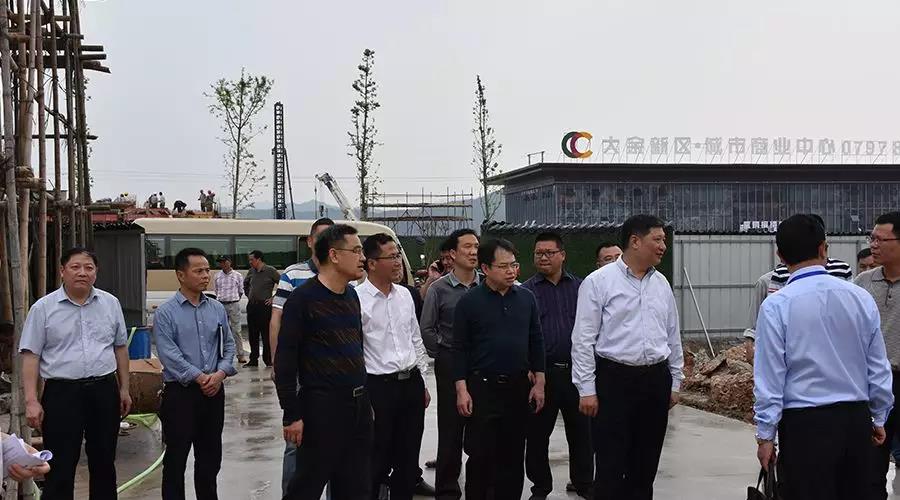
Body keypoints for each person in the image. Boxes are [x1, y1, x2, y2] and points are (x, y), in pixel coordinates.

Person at [755, 214, 893, 500]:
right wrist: (879, 416)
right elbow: (877, 365)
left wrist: (766, 435)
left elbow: (770, 378)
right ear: (823, 248)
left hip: (804, 425)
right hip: (855, 420)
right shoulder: (859, 297)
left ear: (780, 256)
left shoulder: (776, 306)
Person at [572, 214, 684, 500]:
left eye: (664, 240)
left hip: (655, 380)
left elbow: (672, 335)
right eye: (657, 239)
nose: (663, 246)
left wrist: (674, 381)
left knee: (645, 466)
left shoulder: (661, 284)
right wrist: (586, 389)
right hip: (614, 381)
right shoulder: (599, 282)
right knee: (611, 466)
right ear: (635, 241)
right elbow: (583, 340)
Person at [19, 247, 132, 500]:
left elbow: (120, 348)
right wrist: (31, 400)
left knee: (104, 461)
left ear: (96, 272)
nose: (83, 272)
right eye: (75, 267)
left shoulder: (110, 303)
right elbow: (31, 355)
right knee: (59, 464)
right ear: (62, 271)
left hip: (104, 390)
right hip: (62, 393)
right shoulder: (43, 308)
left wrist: (124, 389)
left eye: (89, 268)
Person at [275, 224, 374, 499]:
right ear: (334, 255)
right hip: (321, 408)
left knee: (356, 486)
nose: (363, 258)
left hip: (358, 405)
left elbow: (357, 348)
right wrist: (291, 414)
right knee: (308, 484)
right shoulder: (302, 299)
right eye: (356, 251)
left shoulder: (352, 295)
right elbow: (285, 360)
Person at [452, 238, 545, 499]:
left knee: (513, 456)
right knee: (480, 456)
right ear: (485, 268)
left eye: (514, 265)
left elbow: (536, 340)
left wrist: (540, 382)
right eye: (503, 266)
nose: (511, 271)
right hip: (482, 389)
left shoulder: (526, 298)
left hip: (518, 388)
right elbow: (459, 348)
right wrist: (461, 389)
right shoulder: (469, 302)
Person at [153, 247, 237, 500]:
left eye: (207, 270)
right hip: (181, 394)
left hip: (213, 393)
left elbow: (229, 345)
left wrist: (219, 375)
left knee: (210, 459)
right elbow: (169, 355)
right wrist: (200, 378)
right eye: (198, 271)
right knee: (176, 459)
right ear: (180, 275)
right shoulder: (166, 313)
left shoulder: (216, 308)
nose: (205, 276)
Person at [359, 233, 431, 500]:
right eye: (391, 256)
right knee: (375, 459)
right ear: (372, 263)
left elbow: (415, 339)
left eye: (398, 255)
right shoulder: (357, 299)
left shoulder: (405, 295)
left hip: (410, 384)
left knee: (408, 459)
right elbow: (355, 352)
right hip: (378, 388)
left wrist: (422, 381)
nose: (398, 261)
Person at [522, 233, 592, 500]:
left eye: (549, 252)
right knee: (537, 436)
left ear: (562, 255)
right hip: (542, 375)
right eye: (538, 253)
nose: (543, 257)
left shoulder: (581, 288)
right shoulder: (525, 292)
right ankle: (540, 487)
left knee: (582, 434)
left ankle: (584, 484)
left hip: (577, 373)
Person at [268, 217, 334, 497]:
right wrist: (277, 363)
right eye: (321, 237)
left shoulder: (345, 277)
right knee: (297, 438)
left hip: (334, 375)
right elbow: (277, 319)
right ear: (309, 242)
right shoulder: (293, 274)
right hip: (299, 371)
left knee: (337, 441)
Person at [420, 228, 480, 500]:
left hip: (482, 366)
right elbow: (427, 328)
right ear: (453, 254)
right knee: (451, 429)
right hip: (450, 366)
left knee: (481, 430)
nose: (473, 251)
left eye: (476, 246)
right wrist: (445, 353)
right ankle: (447, 490)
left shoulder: (487, 284)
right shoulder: (439, 289)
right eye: (467, 246)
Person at [856, 211, 900, 499]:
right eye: (871, 238)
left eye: (880, 239)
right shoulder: (862, 283)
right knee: (871, 465)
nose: (873, 245)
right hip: (871, 383)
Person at [243, 250, 280, 367]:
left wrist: (273, 298)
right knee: (252, 334)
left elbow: (283, 285)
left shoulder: (271, 271)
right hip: (252, 306)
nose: (250, 262)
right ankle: (253, 360)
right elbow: (245, 284)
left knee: (266, 333)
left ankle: (268, 359)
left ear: (259, 259)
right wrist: (249, 294)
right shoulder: (251, 271)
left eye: (252, 260)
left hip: (264, 306)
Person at [215, 256, 248, 364]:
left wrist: (235, 299)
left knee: (236, 330)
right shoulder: (217, 276)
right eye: (220, 263)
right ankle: (222, 355)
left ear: (229, 262)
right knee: (221, 330)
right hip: (221, 304)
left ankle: (240, 355)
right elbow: (216, 290)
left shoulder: (237, 275)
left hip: (233, 304)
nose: (222, 264)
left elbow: (240, 291)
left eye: (224, 262)